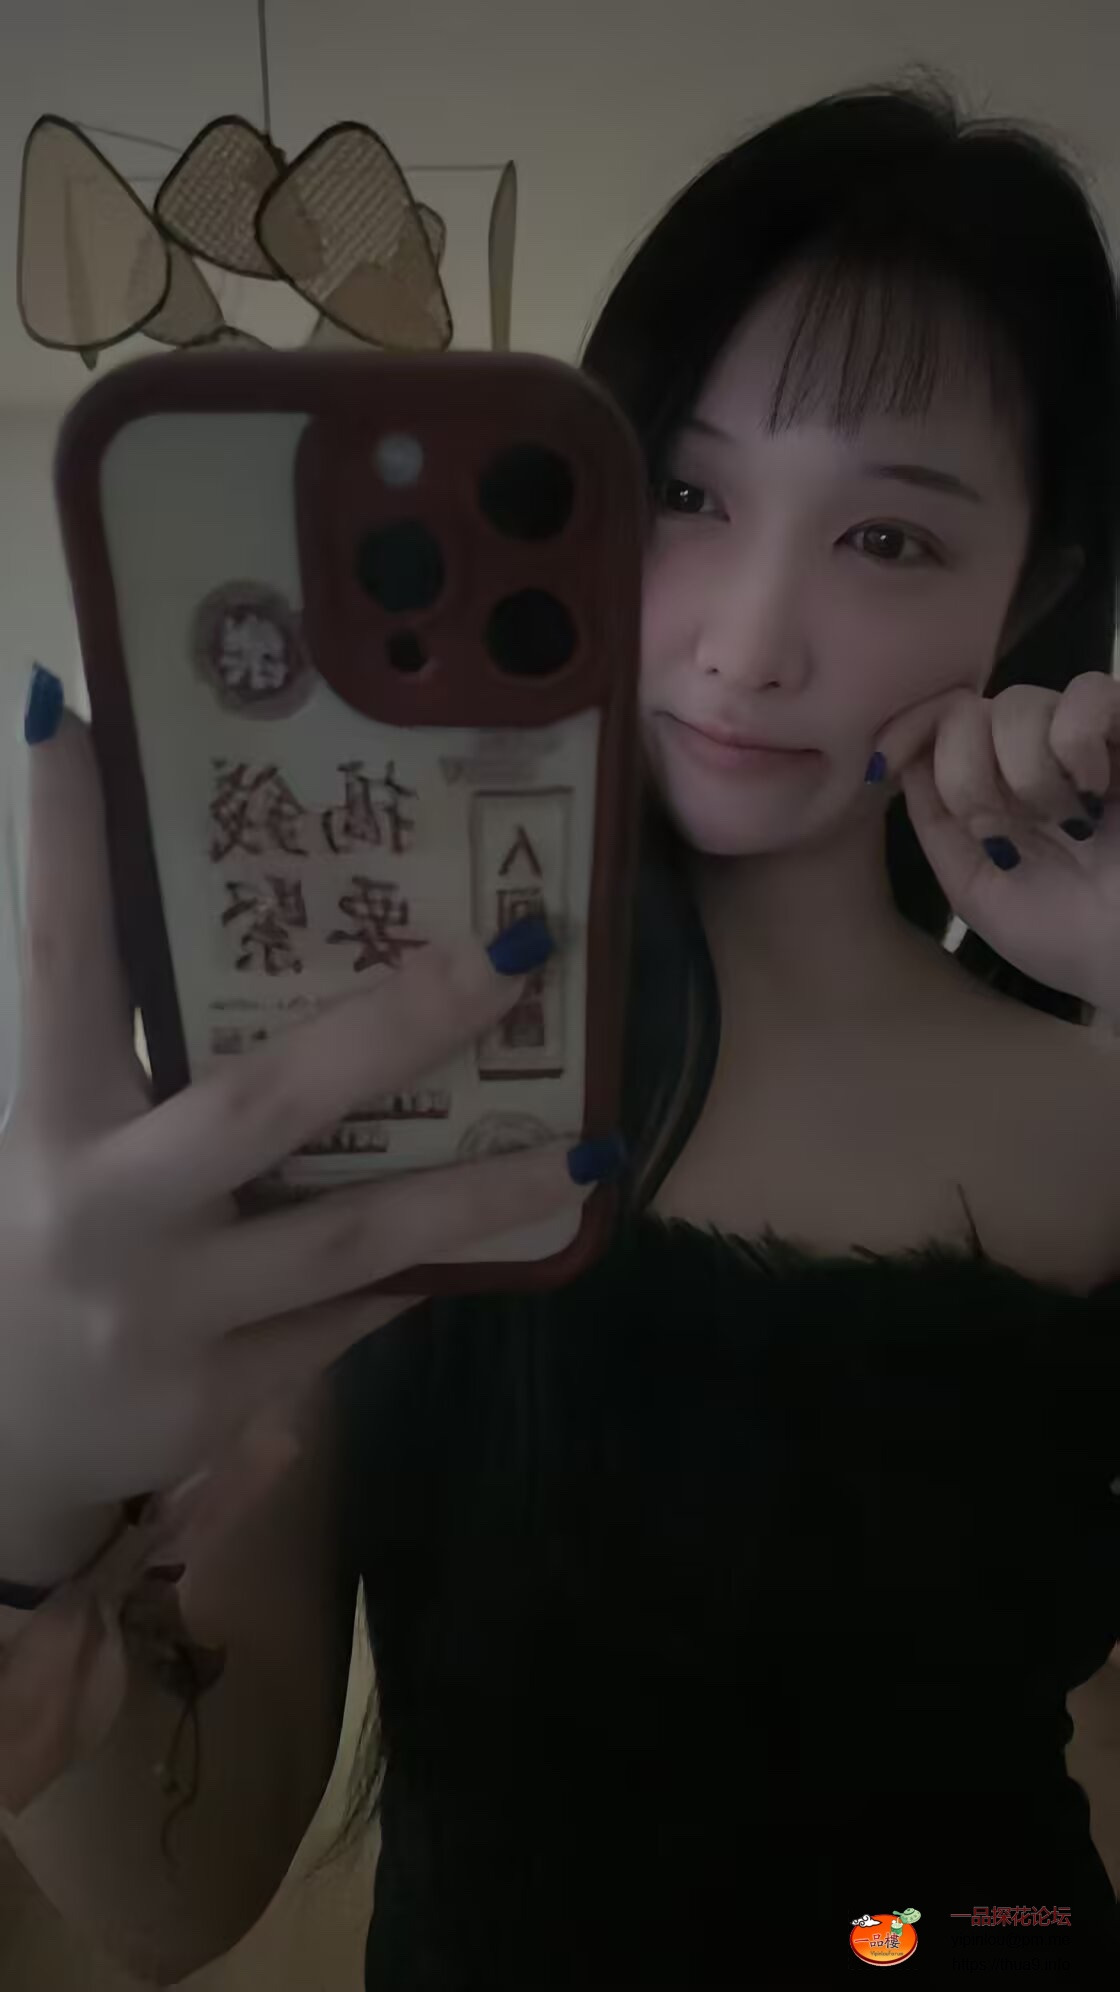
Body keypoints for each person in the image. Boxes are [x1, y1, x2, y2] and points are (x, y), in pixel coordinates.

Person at [3, 74, 1120, 1991]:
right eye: (683, 493)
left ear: (1036, 596)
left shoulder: (1093, 1095)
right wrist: (27, 1495)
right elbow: (169, 1901)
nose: (748, 643)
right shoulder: (371, 1077)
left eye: (890, 540)